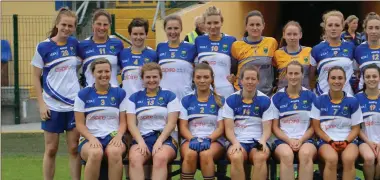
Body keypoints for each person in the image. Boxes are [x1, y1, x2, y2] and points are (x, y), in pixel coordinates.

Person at [31, 7, 81, 180]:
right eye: (64, 25)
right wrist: (41, 105)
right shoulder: (43, 47)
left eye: (70, 26)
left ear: (74, 28)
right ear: (57, 24)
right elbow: (36, 77)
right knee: (51, 149)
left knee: (74, 148)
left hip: (74, 105)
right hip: (52, 105)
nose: (67, 29)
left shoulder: (75, 44)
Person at [74, 58, 127, 180]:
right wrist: (91, 138)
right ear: (93, 73)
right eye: (100, 72)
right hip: (89, 137)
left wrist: (119, 136)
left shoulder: (120, 93)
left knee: (114, 152)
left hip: (113, 136)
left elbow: (123, 122)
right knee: (95, 153)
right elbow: (80, 124)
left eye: (107, 71)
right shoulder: (83, 94)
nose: (104, 75)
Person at [126, 62, 179, 180]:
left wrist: (160, 141)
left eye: (155, 77)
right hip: (143, 139)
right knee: (134, 159)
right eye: (148, 77)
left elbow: (171, 123)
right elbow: (131, 124)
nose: (151, 80)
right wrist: (140, 142)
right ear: (142, 79)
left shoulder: (169, 96)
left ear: (160, 77)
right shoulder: (134, 98)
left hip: (165, 139)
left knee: (159, 157)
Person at [311, 66, 362, 180]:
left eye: (340, 78)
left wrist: (345, 141)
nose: (337, 81)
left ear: (345, 80)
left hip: (348, 141)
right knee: (331, 159)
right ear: (328, 80)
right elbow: (316, 127)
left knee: (349, 159)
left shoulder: (352, 101)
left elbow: (356, 128)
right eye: (333, 78)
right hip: (326, 141)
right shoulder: (319, 100)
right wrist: (330, 141)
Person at [223, 65, 273, 180]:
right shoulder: (231, 100)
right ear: (241, 80)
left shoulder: (265, 100)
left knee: (260, 157)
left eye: (253, 79)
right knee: (236, 157)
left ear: (258, 81)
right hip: (238, 140)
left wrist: (263, 141)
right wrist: (235, 143)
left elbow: (267, 129)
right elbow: (229, 129)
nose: (250, 82)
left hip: (258, 140)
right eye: (247, 79)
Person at [271, 61, 317, 180]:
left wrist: (301, 140)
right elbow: (275, 127)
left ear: (302, 75)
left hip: (306, 139)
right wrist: (289, 140)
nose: (293, 77)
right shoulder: (277, 97)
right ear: (286, 75)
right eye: (290, 73)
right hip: (283, 140)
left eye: (296, 73)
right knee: (286, 155)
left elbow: (313, 126)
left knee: (306, 154)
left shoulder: (311, 96)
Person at [179, 62, 225, 180]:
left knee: (206, 154)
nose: (202, 80)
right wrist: (192, 139)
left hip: (214, 140)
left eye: (206, 77)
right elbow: (183, 127)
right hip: (191, 139)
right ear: (193, 79)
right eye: (198, 77)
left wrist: (209, 139)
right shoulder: (186, 100)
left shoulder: (220, 100)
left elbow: (221, 128)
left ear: (212, 79)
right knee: (190, 154)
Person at [231, 10, 278, 96]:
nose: (255, 28)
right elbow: (233, 69)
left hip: (266, 94)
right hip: (242, 93)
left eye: (258, 24)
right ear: (246, 26)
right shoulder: (236, 45)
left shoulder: (272, 42)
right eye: (251, 25)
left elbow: (276, 66)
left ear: (263, 26)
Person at [310, 10, 356, 96]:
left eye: (337, 25)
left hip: (347, 97)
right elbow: (311, 77)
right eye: (330, 25)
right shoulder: (316, 49)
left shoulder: (351, 47)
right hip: (323, 96)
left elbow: (357, 71)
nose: (333, 28)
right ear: (325, 27)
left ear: (342, 27)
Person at [195, 6, 237, 98]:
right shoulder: (199, 40)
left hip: (225, 89)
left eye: (216, 22)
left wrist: (235, 76)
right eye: (209, 23)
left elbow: (238, 63)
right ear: (204, 24)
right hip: (204, 89)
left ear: (221, 22)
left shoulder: (231, 40)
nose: (212, 26)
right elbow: (192, 64)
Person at [77, 9, 124, 87]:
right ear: (93, 24)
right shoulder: (82, 45)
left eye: (105, 24)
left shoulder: (117, 44)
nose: (102, 28)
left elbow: (123, 68)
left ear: (109, 25)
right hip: (91, 95)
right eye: (99, 24)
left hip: (113, 94)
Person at [157, 15, 197, 100]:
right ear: (165, 29)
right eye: (169, 28)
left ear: (181, 29)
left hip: (185, 98)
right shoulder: (160, 47)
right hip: (164, 99)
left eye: (176, 28)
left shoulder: (191, 48)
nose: (173, 32)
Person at [119, 18, 157, 97]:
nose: (138, 37)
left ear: (146, 34)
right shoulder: (122, 54)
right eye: (135, 34)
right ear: (130, 35)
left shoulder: (153, 54)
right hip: (127, 102)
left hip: (145, 102)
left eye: (141, 34)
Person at [356, 64, 380, 180]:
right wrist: (369, 142)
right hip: (364, 141)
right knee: (369, 158)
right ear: (363, 79)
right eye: (368, 76)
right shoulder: (356, 98)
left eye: (374, 76)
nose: (371, 79)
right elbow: (356, 127)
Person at [274, 21, 313, 91]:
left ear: (300, 35)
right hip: (283, 94)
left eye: (295, 34)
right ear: (284, 35)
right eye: (289, 34)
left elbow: (312, 74)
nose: (292, 37)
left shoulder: (309, 51)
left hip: (304, 94)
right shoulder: (277, 54)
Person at [355, 12, 380, 90]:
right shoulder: (358, 50)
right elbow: (356, 73)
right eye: (370, 28)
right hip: (365, 96)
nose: (374, 31)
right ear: (365, 29)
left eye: (377, 28)